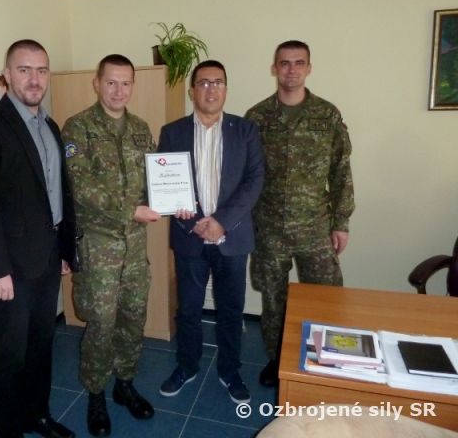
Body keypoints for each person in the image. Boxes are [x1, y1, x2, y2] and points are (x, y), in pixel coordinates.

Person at [0, 39, 77, 438]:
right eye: (24, 70)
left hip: (47, 258)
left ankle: (37, 415)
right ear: (7, 75)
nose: (34, 79)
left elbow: (56, 194)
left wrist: (64, 249)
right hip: (10, 267)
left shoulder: (51, 127)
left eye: (41, 70)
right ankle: (9, 432)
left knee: (42, 343)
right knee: (8, 354)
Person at [244, 40, 355, 387]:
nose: (291, 69)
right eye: (284, 63)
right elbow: (246, 174)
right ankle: (277, 359)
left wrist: (341, 222)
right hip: (269, 227)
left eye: (298, 62)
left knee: (325, 297)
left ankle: (325, 359)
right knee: (274, 300)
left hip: (315, 227)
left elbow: (341, 170)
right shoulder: (257, 117)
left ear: (309, 68)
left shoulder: (327, 114)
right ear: (274, 68)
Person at [61, 54, 160, 437]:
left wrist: (173, 199)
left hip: (135, 246)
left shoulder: (140, 129)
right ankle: (96, 392)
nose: (119, 91)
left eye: (126, 83)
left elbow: (155, 178)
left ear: (133, 85)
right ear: (97, 83)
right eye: (111, 82)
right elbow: (80, 187)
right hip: (99, 246)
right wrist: (130, 210)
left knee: (133, 317)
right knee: (101, 323)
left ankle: (125, 383)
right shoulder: (78, 128)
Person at [157, 60, 265, 404]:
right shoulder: (172, 132)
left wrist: (220, 221)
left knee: (231, 310)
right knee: (188, 309)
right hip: (189, 237)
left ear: (226, 89)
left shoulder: (245, 130)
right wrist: (192, 221)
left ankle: (230, 371)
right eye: (203, 83)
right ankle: (186, 366)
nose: (211, 89)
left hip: (232, 237)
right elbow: (165, 184)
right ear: (192, 91)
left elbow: (254, 181)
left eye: (217, 82)